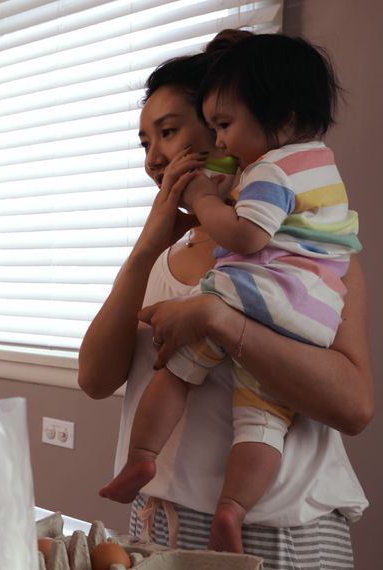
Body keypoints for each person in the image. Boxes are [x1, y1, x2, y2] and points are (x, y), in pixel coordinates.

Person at [78, 30, 372, 568]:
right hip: (158, 520)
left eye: (169, 131)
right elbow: (95, 378)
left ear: (224, 134)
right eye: (144, 143)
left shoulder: (318, 258)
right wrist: (145, 249)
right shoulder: (157, 261)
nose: (153, 158)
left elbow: (354, 407)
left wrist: (218, 319)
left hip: (282, 531)